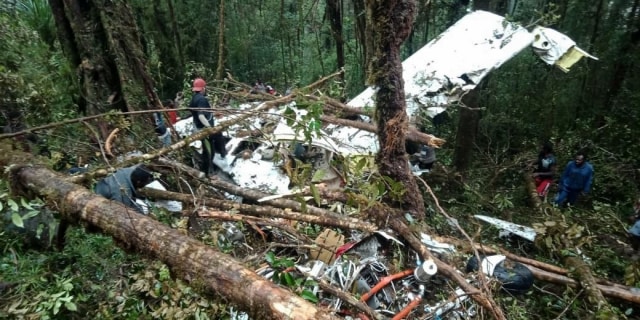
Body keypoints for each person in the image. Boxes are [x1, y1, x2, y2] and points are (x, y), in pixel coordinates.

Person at [188, 77, 231, 177]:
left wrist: (213, 115)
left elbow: (196, 113)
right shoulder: (202, 99)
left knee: (216, 138)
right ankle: (206, 173)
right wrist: (209, 127)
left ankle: (220, 154)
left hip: (198, 127)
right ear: (203, 88)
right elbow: (201, 115)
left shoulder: (194, 98)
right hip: (204, 130)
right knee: (209, 152)